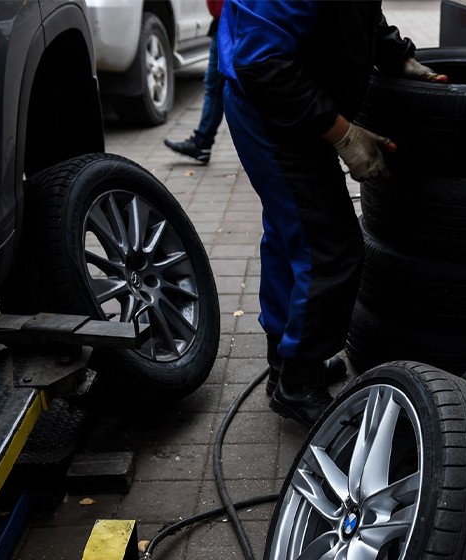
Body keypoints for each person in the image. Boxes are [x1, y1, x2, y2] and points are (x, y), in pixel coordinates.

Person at [219, 0, 446, 427]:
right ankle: (297, 385)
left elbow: (355, 15)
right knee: (330, 247)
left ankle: (284, 364)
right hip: (265, 108)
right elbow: (262, 64)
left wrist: (399, 56)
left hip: (299, 93)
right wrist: (342, 133)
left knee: (292, 233)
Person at [164, 0, 225, 163]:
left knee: (220, 87)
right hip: (224, 21)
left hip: (234, 21)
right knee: (215, 86)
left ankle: (202, 142)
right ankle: (202, 142)